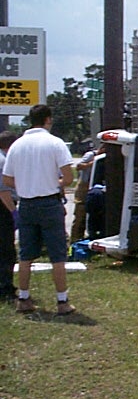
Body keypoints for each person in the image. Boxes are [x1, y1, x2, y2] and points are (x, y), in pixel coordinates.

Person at [2, 105, 76, 315]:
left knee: (25, 255)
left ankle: (23, 298)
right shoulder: (55, 143)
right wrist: (53, 183)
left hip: (26, 203)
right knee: (57, 255)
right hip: (49, 203)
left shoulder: (17, 145)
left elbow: (7, 179)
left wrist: (26, 185)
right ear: (48, 120)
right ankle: (62, 301)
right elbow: (68, 178)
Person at [70, 141, 105, 242]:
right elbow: (79, 167)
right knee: (80, 214)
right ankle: (75, 240)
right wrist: (93, 163)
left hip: (96, 188)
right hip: (84, 187)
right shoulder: (91, 155)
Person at [0, 131, 18, 302]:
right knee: (6, 250)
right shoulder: (3, 161)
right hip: (3, 208)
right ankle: (5, 288)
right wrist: (13, 212)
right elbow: (3, 192)